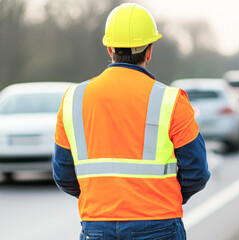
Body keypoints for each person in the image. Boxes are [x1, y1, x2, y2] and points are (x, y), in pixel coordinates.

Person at [52, 3, 210, 240]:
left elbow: (63, 174)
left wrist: (103, 199)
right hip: (159, 224)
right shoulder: (171, 100)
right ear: (149, 51)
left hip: (97, 225)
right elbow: (197, 172)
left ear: (109, 49)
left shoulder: (73, 99)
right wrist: (165, 197)